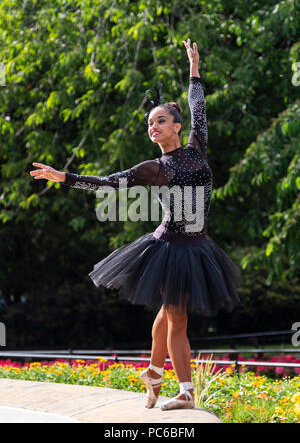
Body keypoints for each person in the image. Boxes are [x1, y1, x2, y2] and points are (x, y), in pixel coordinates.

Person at [30, 39, 241, 411]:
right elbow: (107, 182)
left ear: (177, 126)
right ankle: (187, 391)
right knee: (178, 317)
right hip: (170, 249)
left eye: (160, 120)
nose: (153, 126)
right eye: (149, 123)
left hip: (199, 246)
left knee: (167, 313)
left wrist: (194, 68)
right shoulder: (152, 169)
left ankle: (154, 375)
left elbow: (199, 107)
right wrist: (64, 177)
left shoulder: (197, 147)